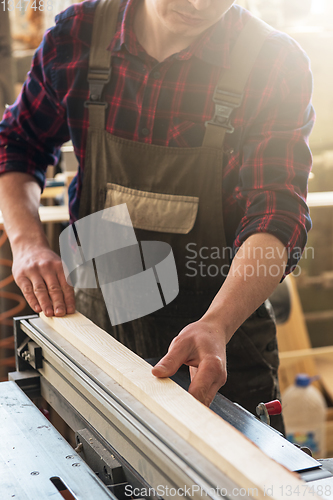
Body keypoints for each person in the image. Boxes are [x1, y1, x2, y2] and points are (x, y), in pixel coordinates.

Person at [0, 0, 314, 432]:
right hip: (97, 326)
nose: (201, 4)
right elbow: (17, 145)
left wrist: (217, 324)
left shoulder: (272, 63)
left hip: (217, 339)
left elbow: (277, 211)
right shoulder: (79, 34)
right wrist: (27, 244)